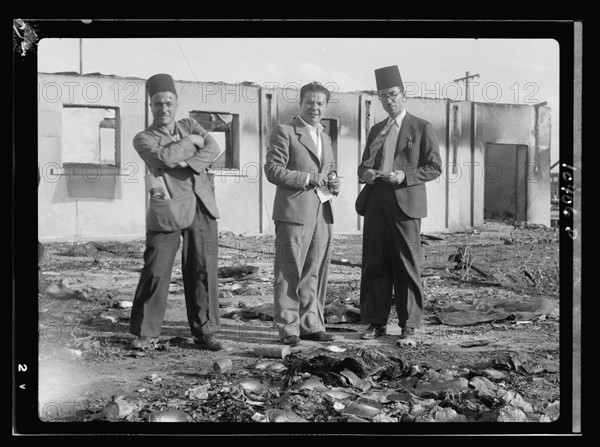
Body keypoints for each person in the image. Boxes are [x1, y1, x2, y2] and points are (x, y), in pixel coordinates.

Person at [129, 73, 226, 351]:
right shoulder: (144, 137)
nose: (164, 109)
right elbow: (160, 158)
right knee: (157, 269)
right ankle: (146, 332)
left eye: (169, 103)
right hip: (167, 207)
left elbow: (215, 147)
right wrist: (192, 143)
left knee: (203, 268)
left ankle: (205, 331)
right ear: (151, 106)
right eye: (158, 104)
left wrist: (189, 161)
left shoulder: (191, 124)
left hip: (202, 204)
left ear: (176, 103)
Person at [356, 65, 442, 340]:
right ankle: (375, 322)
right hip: (376, 200)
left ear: (404, 95)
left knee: (406, 263)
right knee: (375, 262)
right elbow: (362, 167)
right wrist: (366, 174)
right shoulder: (376, 130)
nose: (388, 101)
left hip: (405, 202)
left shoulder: (421, 127)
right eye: (383, 97)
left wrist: (405, 175)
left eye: (393, 95)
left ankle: (410, 324)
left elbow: (435, 167)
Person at [264, 81, 341, 346]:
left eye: (320, 103)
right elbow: (273, 170)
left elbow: (329, 170)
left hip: (322, 210)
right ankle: (288, 328)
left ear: (326, 106)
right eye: (310, 102)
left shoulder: (326, 137)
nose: (315, 107)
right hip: (294, 211)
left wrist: (334, 182)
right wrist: (308, 179)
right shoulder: (285, 131)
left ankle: (311, 324)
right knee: (289, 271)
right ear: (300, 103)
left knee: (314, 270)